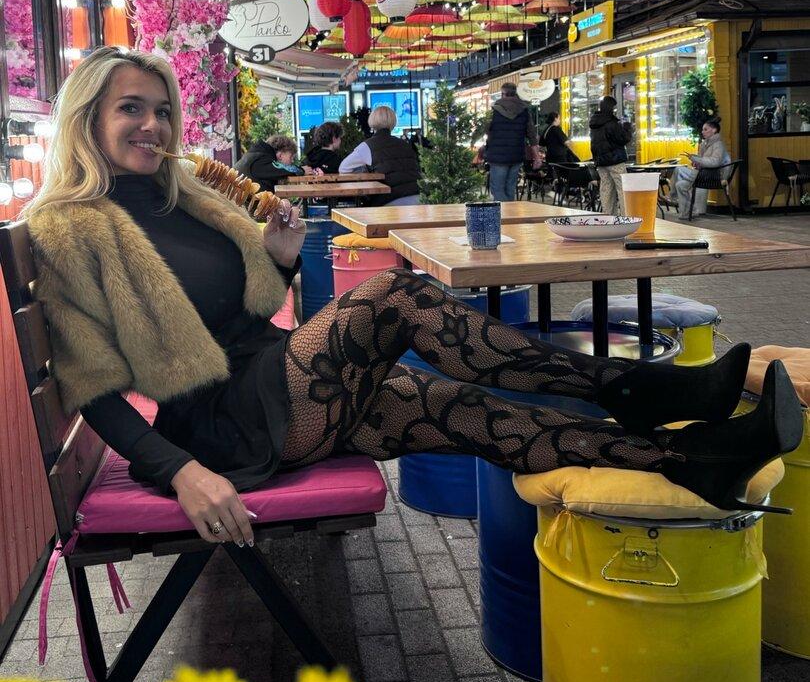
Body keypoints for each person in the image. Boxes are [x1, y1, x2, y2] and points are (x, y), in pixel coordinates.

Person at [22, 48, 801, 547]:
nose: (154, 125)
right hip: (224, 426)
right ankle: (645, 389)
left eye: (161, 109)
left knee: (474, 414)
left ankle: (695, 458)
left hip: (273, 380)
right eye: (131, 108)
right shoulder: (68, 227)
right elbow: (93, 388)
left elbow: (236, 319)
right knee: (394, 294)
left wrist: (282, 265)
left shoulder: (182, 197)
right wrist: (182, 472)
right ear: (86, 117)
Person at [338, 104, 421, 206]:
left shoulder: (368, 146)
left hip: (391, 200)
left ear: (372, 121)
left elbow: (344, 168)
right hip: (418, 197)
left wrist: (365, 173)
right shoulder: (405, 144)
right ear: (393, 122)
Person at [483, 82, 544, 202]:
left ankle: (504, 211)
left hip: (497, 156)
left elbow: (486, 129)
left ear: (503, 93)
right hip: (516, 155)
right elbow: (532, 136)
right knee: (510, 189)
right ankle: (509, 211)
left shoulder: (494, 110)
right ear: (515, 93)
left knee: (497, 189)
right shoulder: (524, 110)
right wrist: (537, 157)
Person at [672, 117, 730, 220]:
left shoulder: (718, 145)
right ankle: (689, 212)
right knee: (680, 185)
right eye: (703, 129)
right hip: (704, 174)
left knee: (679, 170)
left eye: (705, 129)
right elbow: (703, 160)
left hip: (714, 176)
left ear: (714, 130)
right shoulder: (705, 144)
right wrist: (695, 161)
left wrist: (696, 159)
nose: (702, 132)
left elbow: (714, 162)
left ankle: (672, 196)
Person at [589, 95, 633, 215]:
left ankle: (608, 217)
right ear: (610, 107)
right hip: (615, 161)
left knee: (606, 190)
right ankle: (626, 217)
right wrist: (627, 128)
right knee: (623, 189)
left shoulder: (594, 123)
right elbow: (623, 139)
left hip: (601, 162)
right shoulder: (611, 123)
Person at [235, 133, 314, 193]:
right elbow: (284, 169)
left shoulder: (258, 155)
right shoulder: (260, 159)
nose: (292, 161)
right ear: (280, 155)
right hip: (240, 206)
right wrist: (302, 170)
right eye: (291, 157)